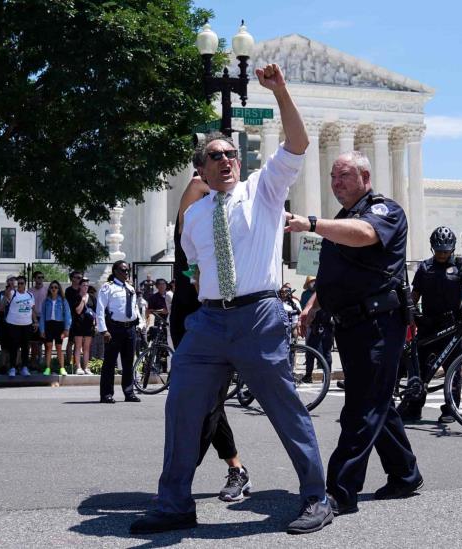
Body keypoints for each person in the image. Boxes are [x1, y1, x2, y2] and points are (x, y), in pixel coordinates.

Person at [131, 64, 332, 536]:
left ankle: (316, 496)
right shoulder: (195, 217)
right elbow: (195, 271)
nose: (226, 160)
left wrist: (280, 92)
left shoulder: (262, 190)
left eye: (231, 154)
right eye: (215, 156)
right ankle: (175, 501)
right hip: (208, 323)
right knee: (181, 406)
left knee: (284, 407)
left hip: (257, 315)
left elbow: (297, 144)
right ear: (199, 169)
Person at [289, 150, 422, 518]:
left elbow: (365, 236)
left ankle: (340, 491)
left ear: (365, 176)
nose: (335, 183)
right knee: (377, 402)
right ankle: (405, 474)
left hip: (378, 324)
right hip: (349, 323)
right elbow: (330, 271)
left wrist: (312, 223)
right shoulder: (343, 219)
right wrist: (312, 305)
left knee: (361, 407)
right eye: (332, 177)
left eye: (343, 176)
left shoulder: (384, 211)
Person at [167, 153, 251, 504]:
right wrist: (206, 180)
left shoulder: (225, 231)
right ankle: (236, 468)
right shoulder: (191, 224)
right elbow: (193, 190)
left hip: (213, 318)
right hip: (185, 318)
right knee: (202, 400)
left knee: (207, 401)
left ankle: (178, 482)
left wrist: (221, 190)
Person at [399, 226, 462, 423]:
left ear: (452, 249)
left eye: (446, 250)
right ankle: (414, 407)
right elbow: (415, 293)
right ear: (433, 248)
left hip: (452, 325)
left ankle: (450, 410)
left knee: (454, 370)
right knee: (420, 369)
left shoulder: (460, 266)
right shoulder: (425, 268)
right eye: (439, 250)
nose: (442, 254)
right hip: (428, 324)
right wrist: (410, 310)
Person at [96, 261, 142, 403]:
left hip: (130, 329)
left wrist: (140, 323)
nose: (126, 273)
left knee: (128, 362)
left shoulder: (130, 288)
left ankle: (129, 392)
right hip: (114, 329)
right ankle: (106, 394)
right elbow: (100, 309)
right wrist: (103, 330)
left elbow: (135, 308)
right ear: (115, 271)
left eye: (127, 270)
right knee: (109, 363)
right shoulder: (107, 287)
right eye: (123, 270)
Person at [0, 275, 38, 377]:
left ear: (25, 284)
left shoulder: (30, 295)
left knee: (26, 347)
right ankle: (12, 368)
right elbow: (2, 306)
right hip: (13, 324)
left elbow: (32, 309)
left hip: (27, 325)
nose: (20, 285)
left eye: (22, 283)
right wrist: (9, 289)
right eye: (19, 283)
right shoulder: (12, 293)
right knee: (13, 347)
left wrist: (35, 321)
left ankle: (24, 367)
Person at [39, 281, 71, 376]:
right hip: (49, 325)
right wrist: (42, 330)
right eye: (52, 287)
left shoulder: (63, 300)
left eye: (56, 287)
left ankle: (62, 368)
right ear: (49, 289)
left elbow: (67, 315)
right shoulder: (46, 301)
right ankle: (48, 368)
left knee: (59, 347)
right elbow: (42, 316)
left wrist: (66, 329)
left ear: (59, 289)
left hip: (59, 325)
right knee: (48, 347)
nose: (54, 289)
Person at [70, 278, 96, 375]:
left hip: (89, 325)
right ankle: (78, 367)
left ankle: (86, 368)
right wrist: (83, 301)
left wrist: (96, 323)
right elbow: (78, 311)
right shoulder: (77, 297)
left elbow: (96, 312)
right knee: (78, 347)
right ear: (80, 286)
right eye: (84, 285)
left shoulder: (92, 297)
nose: (86, 287)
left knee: (87, 348)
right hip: (78, 325)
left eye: (87, 285)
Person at [0, 276, 17, 372]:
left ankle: (15, 365)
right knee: (4, 347)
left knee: (15, 346)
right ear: (7, 282)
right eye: (10, 280)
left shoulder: (18, 294)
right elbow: (0, 308)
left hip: (15, 323)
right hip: (4, 323)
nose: (12, 282)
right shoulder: (1, 293)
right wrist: (6, 295)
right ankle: (3, 366)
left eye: (14, 280)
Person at [29, 271, 48, 367]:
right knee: (34, 342)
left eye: (42, 277)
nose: (40, 279)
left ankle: (43, 362)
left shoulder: (46, 290)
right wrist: (34, 318)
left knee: (44, 341)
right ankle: (33, 362)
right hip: (33, 317)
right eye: (38, 277)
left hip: (44, 318)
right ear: (34, 279)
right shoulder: (30, 291)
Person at [64, 271, 83, 367]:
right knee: (70, 341)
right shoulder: (68, 291)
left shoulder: (82, 290)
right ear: (72, 279)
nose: (79, 279)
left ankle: (76, 362)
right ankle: (68, 362)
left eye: (80, 277)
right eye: (78, 277)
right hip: (71, 318)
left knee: (78, 342)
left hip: (80, 319)